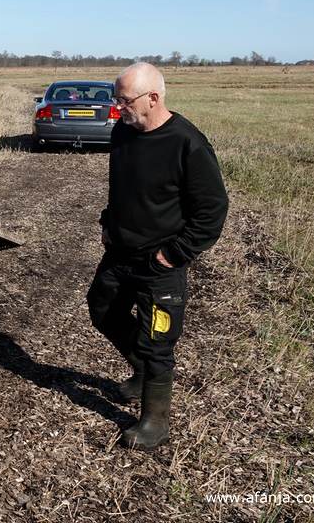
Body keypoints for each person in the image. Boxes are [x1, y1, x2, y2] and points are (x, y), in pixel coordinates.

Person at [87, 62, 228, 450]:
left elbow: (212, 211)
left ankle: (154, 421)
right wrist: (108, 222)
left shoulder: (188, 143)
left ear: (154, 97)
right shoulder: (123, 133)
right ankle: (143, 371)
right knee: (102, 309)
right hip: (119, 253)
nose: (118, 109)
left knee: (157, 340)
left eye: (124, 100)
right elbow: (126, 188)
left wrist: (174, 254)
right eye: (115, 100)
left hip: (160, 263)